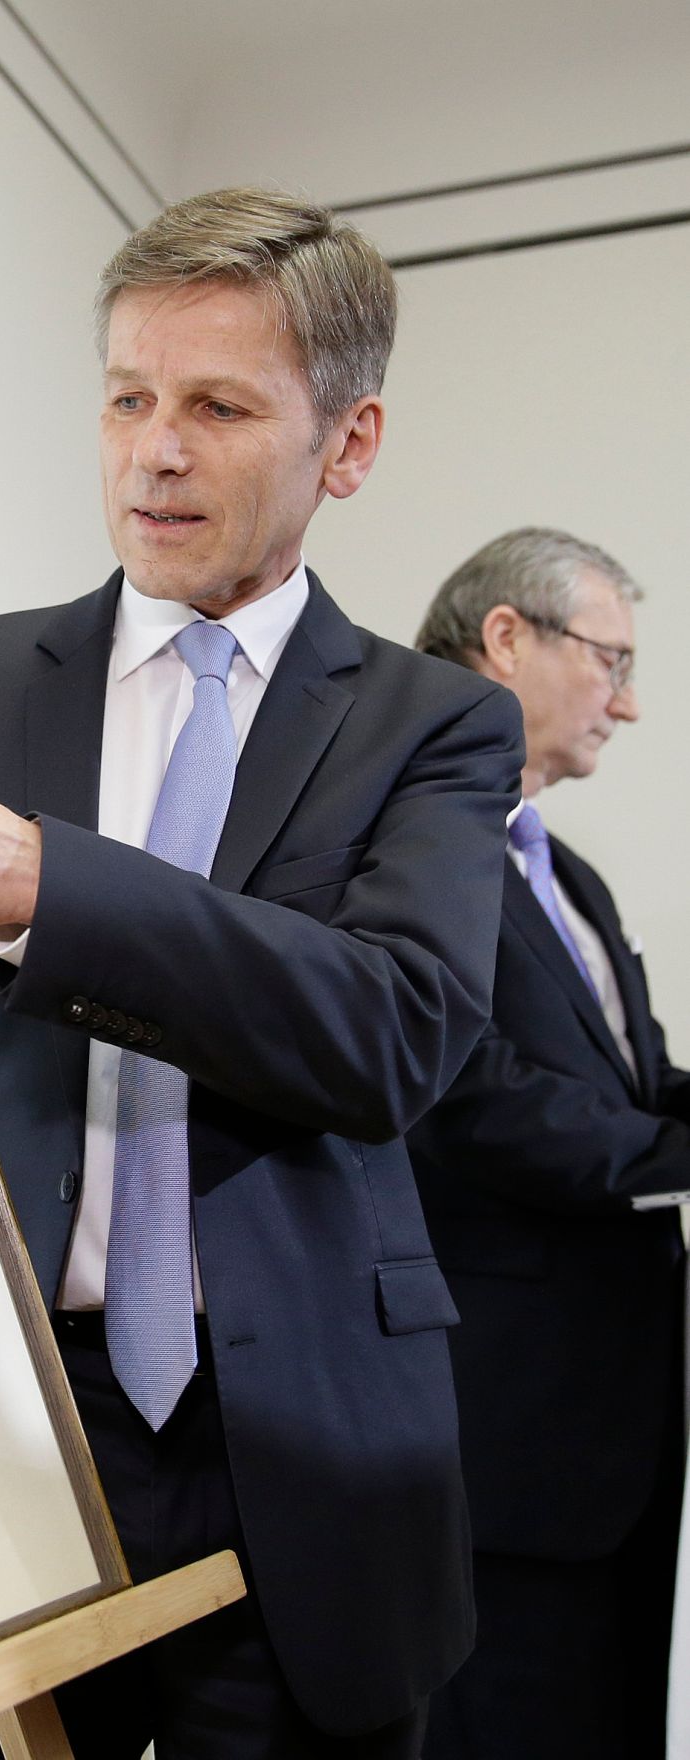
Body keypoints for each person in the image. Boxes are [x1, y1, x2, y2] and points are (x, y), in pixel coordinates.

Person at [0, 189, 523, 1757]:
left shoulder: (432, 726)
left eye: (219, 406)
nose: (155, 449)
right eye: (126, 398)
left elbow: (392, 1034)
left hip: (297, 1447)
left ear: (347, 445)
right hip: (4, 1430)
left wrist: (45, 884)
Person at [408, 530, 687, 1760]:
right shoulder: (409, 845)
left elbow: (634, 1083)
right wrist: (665, 1159)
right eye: (608, 660)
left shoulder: (564, 870)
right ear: (506, 637)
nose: (624, 701)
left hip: (618, 1421)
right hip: (505, 1436)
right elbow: (465, 1092)